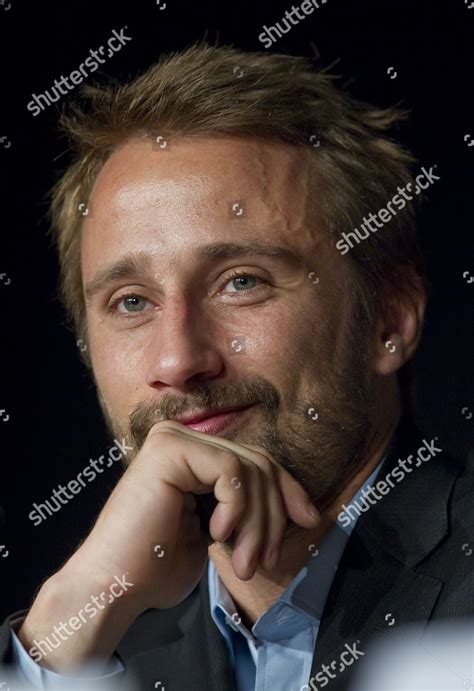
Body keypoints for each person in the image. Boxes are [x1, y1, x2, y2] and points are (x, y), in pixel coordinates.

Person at [1, 42, 472, 691]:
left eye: (241, 281)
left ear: (389, 318)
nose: (179, 360)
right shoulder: (91, 644)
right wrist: (66, 627)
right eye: (131, 301)